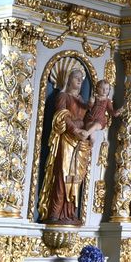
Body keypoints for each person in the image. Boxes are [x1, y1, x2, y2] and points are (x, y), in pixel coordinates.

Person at [38, 68, 90, 225]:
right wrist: (75, 129)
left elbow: (90, 118)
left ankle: (69, 212)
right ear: (68, 80)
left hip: (80, 142)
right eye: (76, 78)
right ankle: (55, 212)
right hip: (66, 139)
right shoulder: (63, 96)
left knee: (75, 178)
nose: (80, 81)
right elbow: (61, 115)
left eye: (81, 79)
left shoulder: (82, 100)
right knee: (62, 174)